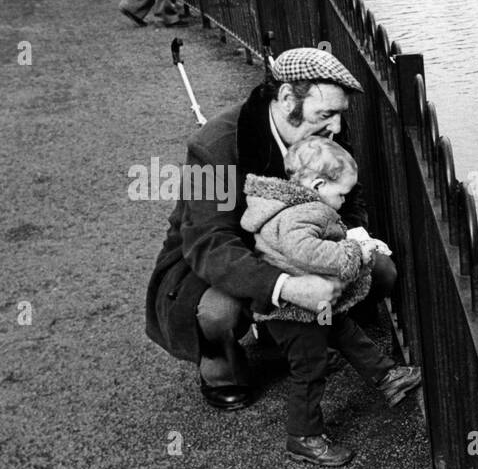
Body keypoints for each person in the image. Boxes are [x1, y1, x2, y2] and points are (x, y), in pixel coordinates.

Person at [145, 47, 409, 411]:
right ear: (287, 99)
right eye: (326, 113)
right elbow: (210, 244)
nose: (335, 127)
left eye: (339, 115)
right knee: (216, 312)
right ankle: (220, 368)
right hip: (221, 256)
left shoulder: (325, 134)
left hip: (294, 244)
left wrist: (353, 239)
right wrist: (288, 286)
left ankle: (295, 336)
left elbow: (351, 199)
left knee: (380, 271)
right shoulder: (215, 147)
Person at [241, 137, 420, 466]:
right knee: (309, 370)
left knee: (345, 332)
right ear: (318, 184)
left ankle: (387, 376)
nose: (343, 202)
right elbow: (307, 252)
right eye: (341, 194)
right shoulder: (299, 214)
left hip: (312, 308)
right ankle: (304, 436)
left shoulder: (297, 206)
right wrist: (356, 251)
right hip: (293, 313)